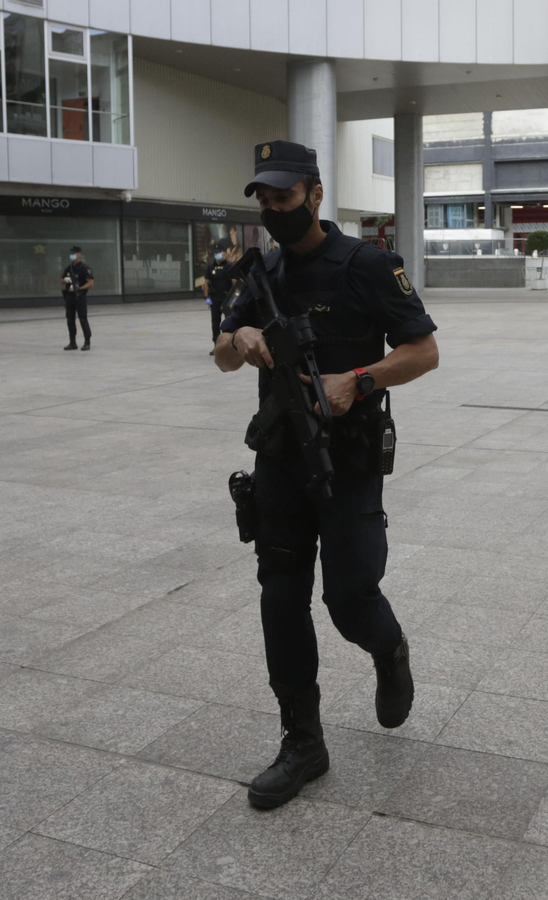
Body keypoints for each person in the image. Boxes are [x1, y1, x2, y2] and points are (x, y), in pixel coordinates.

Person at [215, 140, 440, 809]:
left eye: (283, 196)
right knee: (280, 597)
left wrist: (359, 379)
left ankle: (389, 651)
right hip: (280, 459)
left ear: (315, 194)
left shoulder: (365, 264)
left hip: (348, 460)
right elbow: (222, 354)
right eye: (264, 199)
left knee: (348, 598)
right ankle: (303, 742)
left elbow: (423, 350)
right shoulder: (262, 273)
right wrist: (239, 340)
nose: (273, 208)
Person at [204, 238, 237, 356]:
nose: (217, 254)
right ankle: (217, 345)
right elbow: (206, 283)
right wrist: (206, 297)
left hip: (227, 298)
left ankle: (231, 345)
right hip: (215, 298)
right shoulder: (210, 267)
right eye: (215, 252)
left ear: (224, 252)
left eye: (219, 252)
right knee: (215, 322)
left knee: (229, 321)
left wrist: (234, 298)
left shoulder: (229, 266)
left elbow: (235, 283)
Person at [61, 246, 94, 351]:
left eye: (74, 253)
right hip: (69, 296)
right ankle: (72, 342)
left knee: (82, 318)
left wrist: (79, 287)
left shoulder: (84, 268)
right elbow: (62, 280)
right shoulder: (69, 268)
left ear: (79, 254)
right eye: (71, 253)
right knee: (70, 319)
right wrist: (70, 280)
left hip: (80, 296)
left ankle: (87, 342)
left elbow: (90, 283)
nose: (72, 255)